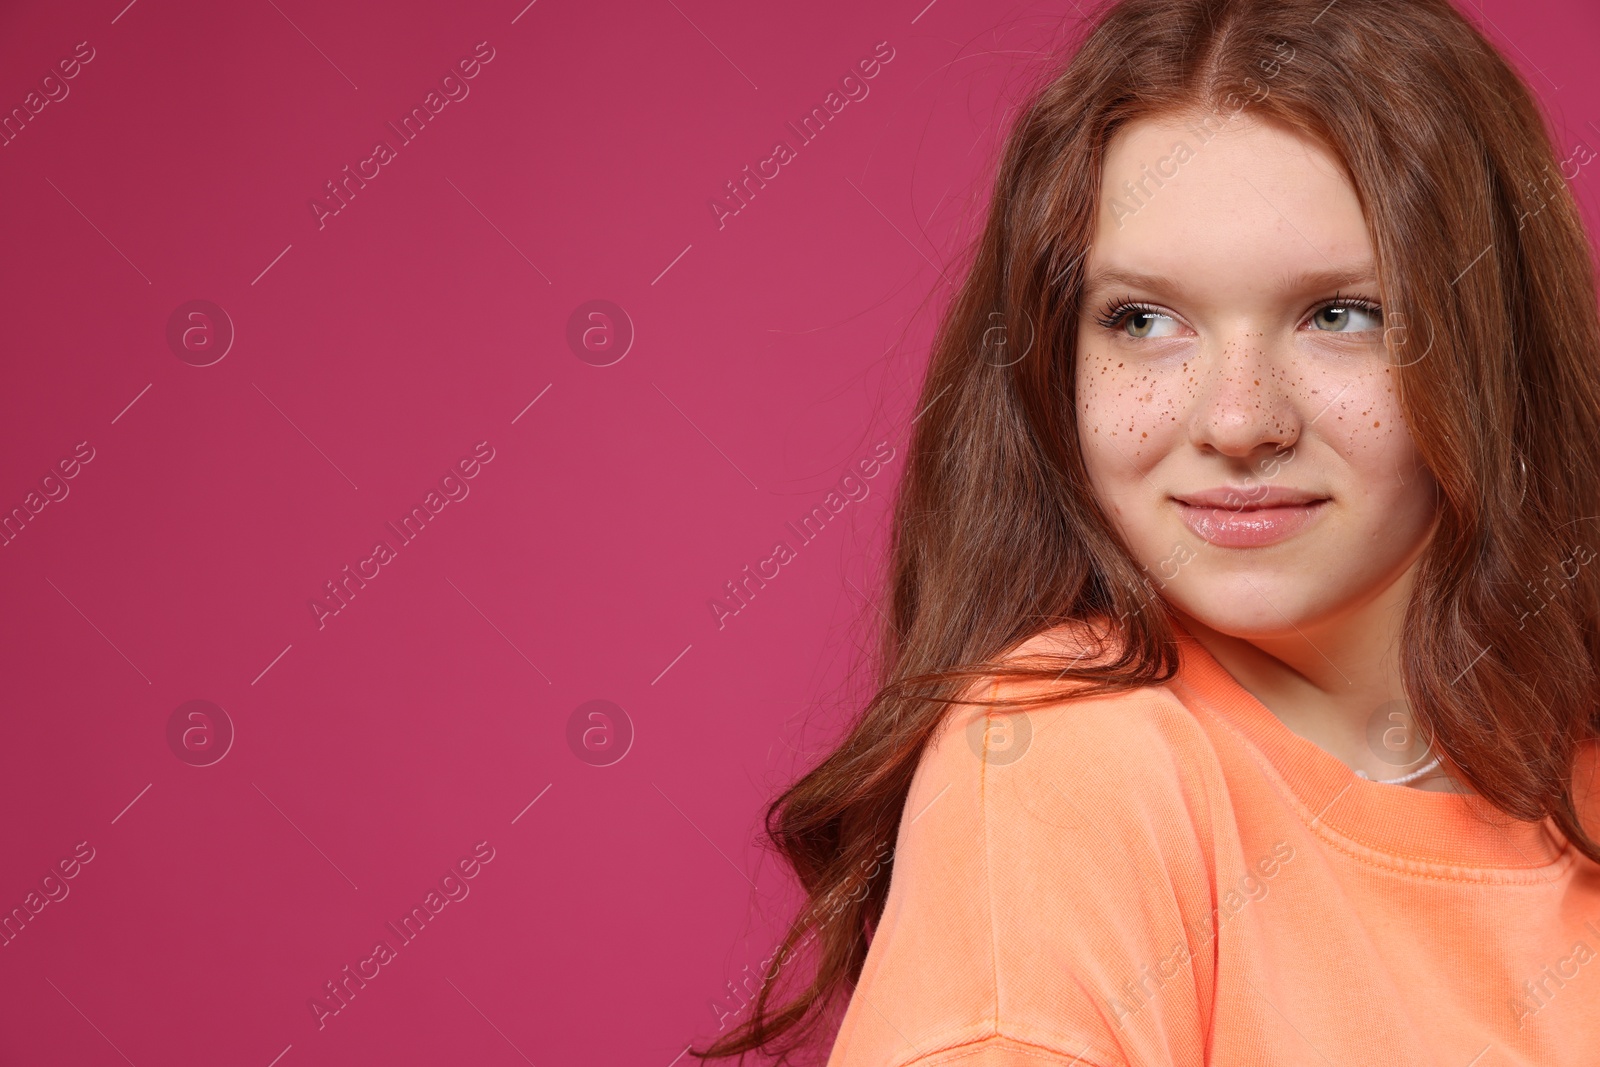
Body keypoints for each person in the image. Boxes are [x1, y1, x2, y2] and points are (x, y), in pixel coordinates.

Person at [692, 0, 1600, 1063]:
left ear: (1490, 341)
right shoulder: (1064, 754)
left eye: (1340, 313)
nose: (1238, 421)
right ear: (1052, 358)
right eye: (1142, 320)